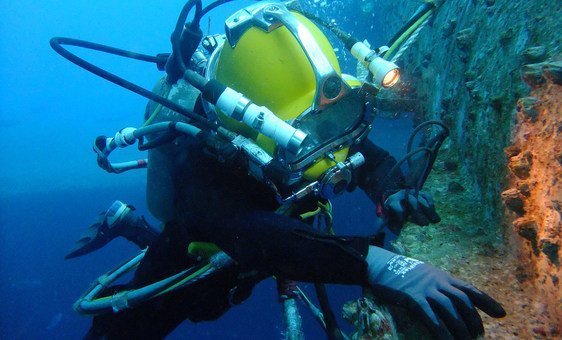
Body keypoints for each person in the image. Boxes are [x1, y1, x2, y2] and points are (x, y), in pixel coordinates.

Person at [63, 1, 506, 339]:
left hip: (275, 225)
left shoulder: (313, 111)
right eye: (302, 132)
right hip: (211, 235)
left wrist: (391, 190)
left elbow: (366, 154)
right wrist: (378, 263)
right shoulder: (205, 165)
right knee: (176, 312)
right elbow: (257, 238)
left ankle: (125, 223)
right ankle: (126, 225)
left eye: (331, 117)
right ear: (251, 132)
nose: (327, 144)